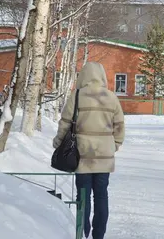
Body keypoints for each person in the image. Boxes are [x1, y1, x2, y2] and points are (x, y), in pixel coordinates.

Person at [53, 62, 125, 239]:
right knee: (101, 195)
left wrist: (58, 142)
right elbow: (120, 126)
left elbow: (65, 123)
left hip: (82, 154)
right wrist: (114, 145)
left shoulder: (77, 96)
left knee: (83, 195)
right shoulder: (111, 97)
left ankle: (83, 232)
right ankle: (98, 235)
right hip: (104, 156)